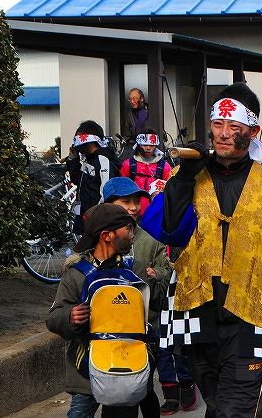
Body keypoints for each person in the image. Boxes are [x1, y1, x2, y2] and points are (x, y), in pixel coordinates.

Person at [141, 82, 262, 418]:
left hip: (252, 316)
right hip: (195, 312)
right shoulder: (188, 175)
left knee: (236, 409)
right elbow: (167, 230)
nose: (224, 134)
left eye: (234, 127)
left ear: (253, 131)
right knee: (220, 405)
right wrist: (183, 179)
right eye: (217, 125)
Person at [46, 203, 150, 418]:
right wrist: (70, 316)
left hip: (127, 367)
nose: (132, 234)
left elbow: (152, 314)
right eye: (128, 229)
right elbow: (54, 317)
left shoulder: (137, 270)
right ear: (107, 235)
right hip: (86, 370)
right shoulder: (76, 273)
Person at [102, 177, 175, 416]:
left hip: (146, 328)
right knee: (121, 394)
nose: (134, 207)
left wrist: (156, 275)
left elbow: (169, 271)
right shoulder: (98, 238)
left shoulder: (151, 238)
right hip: (107, 332)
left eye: (136, 201)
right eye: (126, 201)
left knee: (137, 387)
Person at [66, 120, 121, 234]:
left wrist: (96, 215)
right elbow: (77, 180)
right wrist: (73, 160)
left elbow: (106, 192)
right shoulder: (88, 160)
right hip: (85, 216)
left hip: (97, 220)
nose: (76, 143)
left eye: (79, 138)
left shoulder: (102, 160)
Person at [120, 127, 171, 218]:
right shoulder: (128, 164)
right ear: (139, 144)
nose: (148, 148)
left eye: (151, 145)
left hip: (156, 212)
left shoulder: (165, 167)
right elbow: (123, 189)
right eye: (145, 145)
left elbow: (169, 191)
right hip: (132, 211)